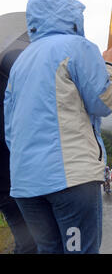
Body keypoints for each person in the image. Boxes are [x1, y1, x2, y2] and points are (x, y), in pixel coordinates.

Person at [4, 0, 112, 254]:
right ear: (71, 18)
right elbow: (104, 102)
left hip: (25, 185)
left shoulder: (20, 64)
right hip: (70, 180)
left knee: (49, 250)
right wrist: (110, 67)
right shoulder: (77, 47)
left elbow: (11, 132)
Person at [0, 17, 37, 254]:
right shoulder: (9, 78)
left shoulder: (9, 78)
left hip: (13, 179)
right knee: (30, 243)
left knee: (31, 242)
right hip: (11, 180)